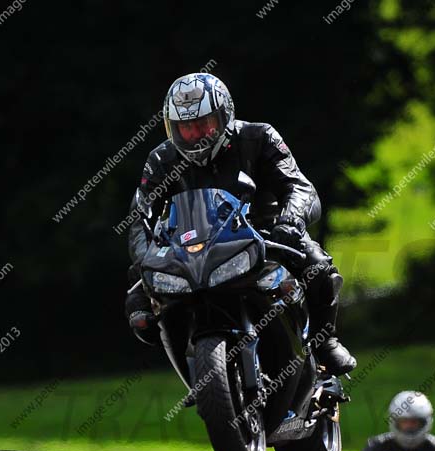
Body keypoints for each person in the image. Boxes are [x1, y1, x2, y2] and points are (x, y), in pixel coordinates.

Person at [125, 73, 356, 376]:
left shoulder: (258, 137)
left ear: (224, 116)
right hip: (192, 249)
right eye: (185, 128)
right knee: (138, 296)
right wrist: (145, 256)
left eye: (203, 125)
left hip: (264, 235)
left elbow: (300, 187)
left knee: (316, 263)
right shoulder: (161, 160)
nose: (195, 136)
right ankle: (191, 364)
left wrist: (290, 221)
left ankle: (326, 341)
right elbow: (139, 215)